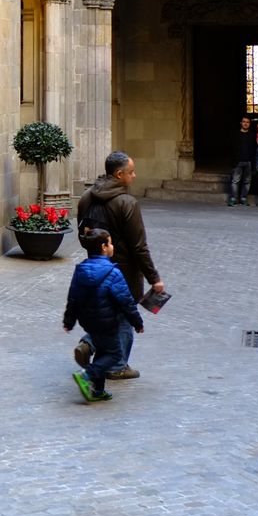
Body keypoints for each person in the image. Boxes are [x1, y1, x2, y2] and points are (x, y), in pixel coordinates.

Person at [76, 151, 164, 380]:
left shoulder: (86, 197)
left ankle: (89, 343)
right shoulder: (127, 203)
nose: (134, 176)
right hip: (123, 271)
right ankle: (116, 365)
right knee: (123, 316)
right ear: (119, 174)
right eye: (131, 172)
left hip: (94, 266)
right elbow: (139, 247)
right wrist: (154, 278)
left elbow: (82, 234)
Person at [63, 229, 144, 402]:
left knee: (101, 352)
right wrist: (136, 322)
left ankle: (98, 391)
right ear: (104, 247)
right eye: (110, 242)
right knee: (115, 355)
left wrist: (69, 321)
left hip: (89, 322)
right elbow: (126, 301)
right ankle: (86, 375)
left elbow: (73, 297)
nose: (112, 245)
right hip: (108, 323)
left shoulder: (81, 270)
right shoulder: (113, 272)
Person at [228, 115, 258, 206]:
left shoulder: (253, 135)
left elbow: (255, 148)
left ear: (249, 124)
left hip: (249, 161)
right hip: (238, 161)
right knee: (235, 180)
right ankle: (233, 199)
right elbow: (230, 148)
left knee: (247, 181)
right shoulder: (235, 134)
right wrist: (233, 160)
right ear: (241, 123)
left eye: (247, 122)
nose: (245, 123)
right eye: (244, 122)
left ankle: (243, 198)